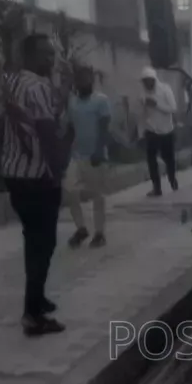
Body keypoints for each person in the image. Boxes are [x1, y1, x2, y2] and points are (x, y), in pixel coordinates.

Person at [0, 33, 69, 335]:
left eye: (52, 55)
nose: (50, 61)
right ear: (29, 56)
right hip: (38, 177)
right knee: (44, 242)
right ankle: (32, 314)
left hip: (15, 175)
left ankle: (37, 299)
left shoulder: (11, 82)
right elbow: (47, 132)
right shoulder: (38, 87)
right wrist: (57, 173)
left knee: (34, 240)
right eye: (45, 55)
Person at [65, 65, 112, 248]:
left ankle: (100, 233)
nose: (83, 82)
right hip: (77, 155)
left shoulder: (101, 101)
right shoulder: (72, 102)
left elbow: (104, 127)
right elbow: (70, 128)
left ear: (91, 80)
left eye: (86, 78)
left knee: (97, 195)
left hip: (95, 155)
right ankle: (81, 229)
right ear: (76, 82)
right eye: (80, 79)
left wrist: (99, 150)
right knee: (69, 191)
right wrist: (63, 150)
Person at [139, 65, 179, 196]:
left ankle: (172, 180)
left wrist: (157, 105)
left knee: (169, 159)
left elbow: (173, 108)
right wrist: (141, 131)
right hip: (152, 130)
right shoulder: (143, 93)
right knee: (151, 159)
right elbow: (143, 113)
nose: (147, 84)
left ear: (154, 79)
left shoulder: (165, 89)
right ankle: (157, 187)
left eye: (149, 80)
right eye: (145, 81)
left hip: (166, 130)